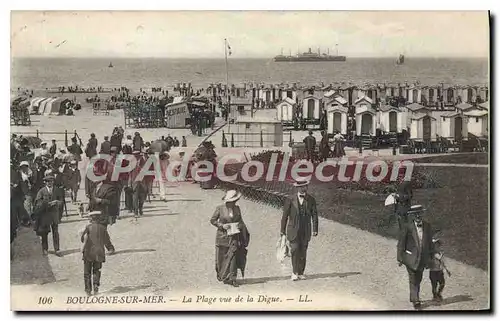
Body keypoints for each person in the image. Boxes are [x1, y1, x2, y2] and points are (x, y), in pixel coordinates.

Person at [280, 178, 318, 281]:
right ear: (298, 187)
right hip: (293, 230)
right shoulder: (290, 199)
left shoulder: (311, 200)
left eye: (305, 186)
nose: (304, 188)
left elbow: (314, 215)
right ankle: (294, 272)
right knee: (294, 250)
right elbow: (285, 216)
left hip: (305, 230)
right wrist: (282, 230)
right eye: (302, 187)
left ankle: (301, 272)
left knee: (303, 252)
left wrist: (315, 229)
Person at [210, 190, 250, 287]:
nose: (233, 203)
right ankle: (224, 276)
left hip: (234, 237)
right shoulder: (219, 208)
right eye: (232, 201)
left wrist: (240, 226)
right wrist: (222, 226)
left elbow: (240, 221)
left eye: (235, 201)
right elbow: (213, 220)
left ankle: (233, 278)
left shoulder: (237, 209)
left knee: (233, 257)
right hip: (222, 237)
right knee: (222, 257)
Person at [397, 205, 434, 310]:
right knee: (413, 278)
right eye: (415, 214)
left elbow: (430, 242)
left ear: (422, 214)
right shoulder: (407, 227)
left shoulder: (427, 226)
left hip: (423, 257)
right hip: (410, 257)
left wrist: (431, 256)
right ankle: (415, 299)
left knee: (419, 278)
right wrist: (400, 257)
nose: (418, 216)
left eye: (419, 213)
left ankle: (413, 296)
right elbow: (401, 243)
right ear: (412, 216)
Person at [80, 210, 113, 296]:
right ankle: (95, 286)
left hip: (88, 252)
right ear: (98, 219)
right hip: (99, 252)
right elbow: (107, 241)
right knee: (96, 270)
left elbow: (82, 239)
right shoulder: (103, 228)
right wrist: (110, 248)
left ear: (91, 219)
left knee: (87, 272)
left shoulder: (88, 227)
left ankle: (88, 290)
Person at [33, 174, 64, 256]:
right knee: (44, 233)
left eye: (51, 181)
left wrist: (58, 202)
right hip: (45, 215)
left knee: (55, 232)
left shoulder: (57, 190)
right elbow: (37, 203)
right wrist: (47, 204)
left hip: (54, 214)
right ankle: (45, 249)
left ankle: (57, 249)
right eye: (47, 181)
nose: (49, 183)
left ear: (53, 181)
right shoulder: (41, 191)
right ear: (45, 182)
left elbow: (61, 201)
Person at [428, 233, 451, 302]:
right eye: (435, 245)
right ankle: (435, 296)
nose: (437, 246)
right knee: (434, 285)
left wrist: (447, 270)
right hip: (433, 271)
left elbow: (442, 262)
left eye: (438, 244)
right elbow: (438, 258)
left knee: (442, 283)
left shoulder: (439, 253)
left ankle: (438, 294)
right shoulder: (431, 253)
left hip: (440, 271)